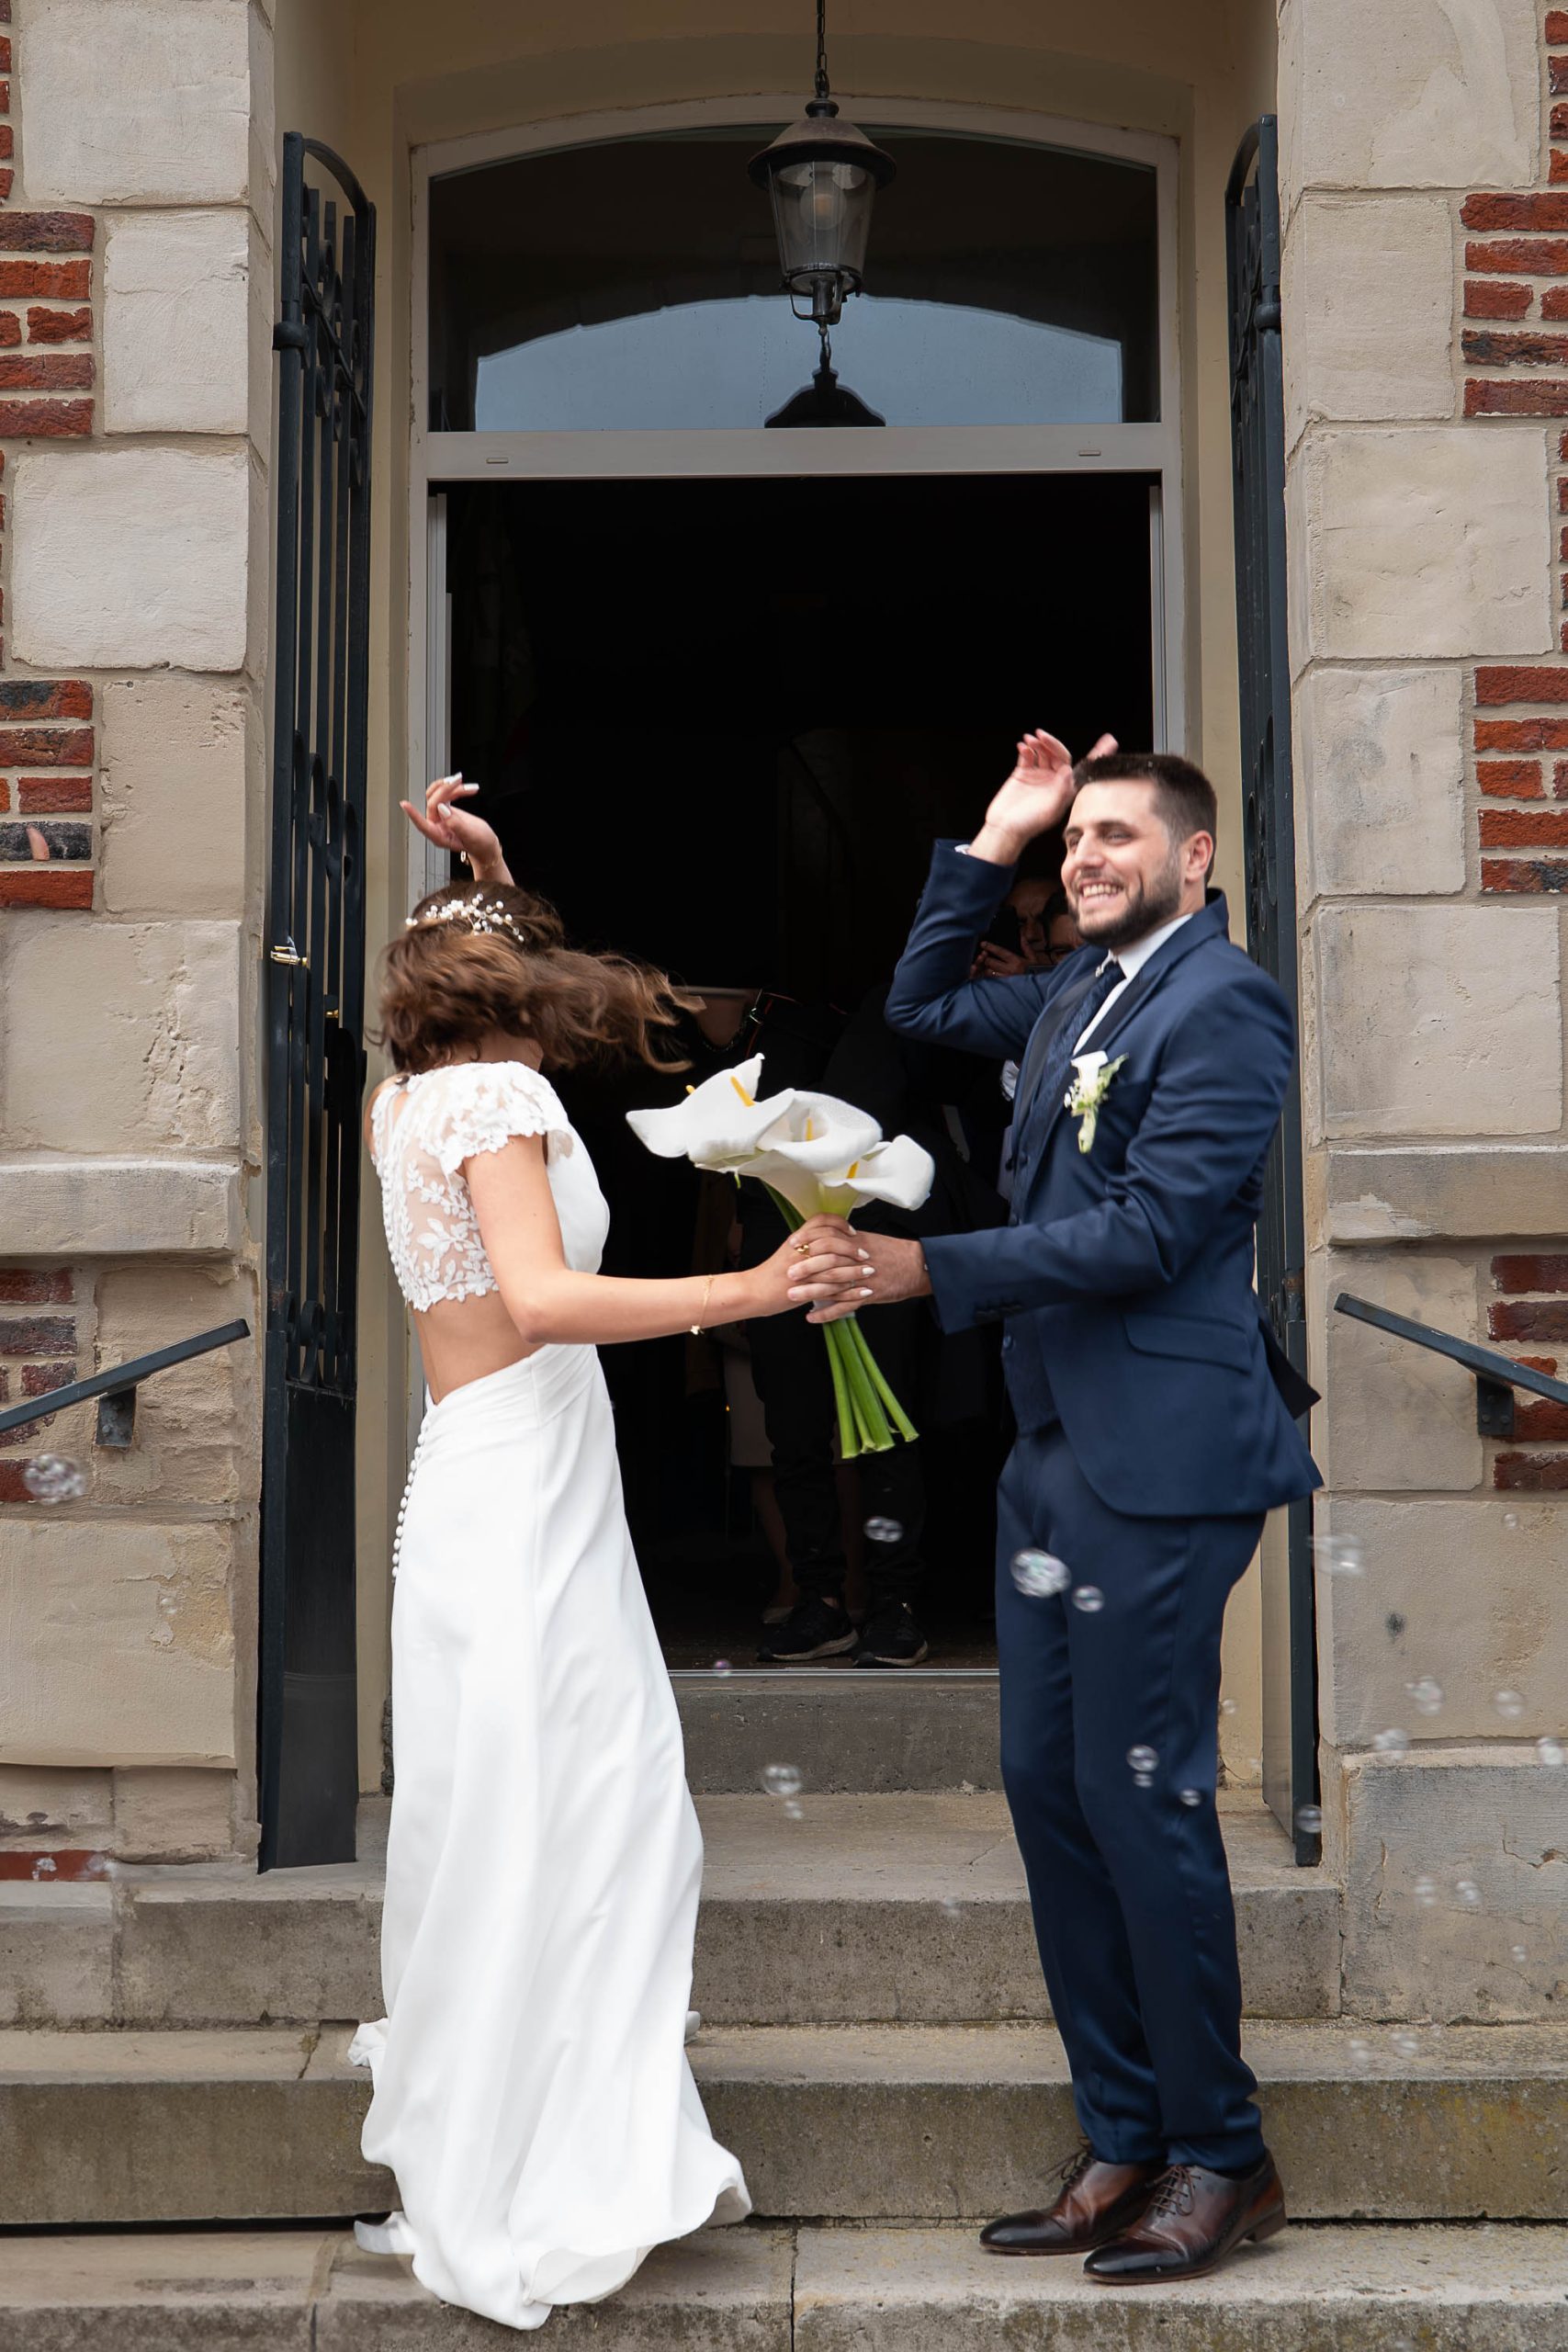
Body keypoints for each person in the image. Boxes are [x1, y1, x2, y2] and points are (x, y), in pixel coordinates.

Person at [789, 730, 1321, 2285]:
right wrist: (995, 832)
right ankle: (1122, 2132)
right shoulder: (1080, 989)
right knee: (1048, 1788)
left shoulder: (1225, 1004)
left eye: (1112, 837)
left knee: (1142, 1798)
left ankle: (1225, 2156)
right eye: (1073, 840)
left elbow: (1158, 1229)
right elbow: (920, 1005)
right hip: (1050, 1450)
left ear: (1194, 859)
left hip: (1163, 1455)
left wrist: (925, 1267)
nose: (1084, 859)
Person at [351, 776, 866, 2330]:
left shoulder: (402, 1099)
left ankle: (498, 2154)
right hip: (521, 1490)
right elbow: (544, 1300)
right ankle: (542, 2176)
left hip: (487, 1478)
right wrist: (755, 1291)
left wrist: (491, 874)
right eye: (534, 965)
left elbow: (474, 964)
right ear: (506, 993)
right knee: (588, 1814)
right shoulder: (501, 1105)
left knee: (510, 1821)